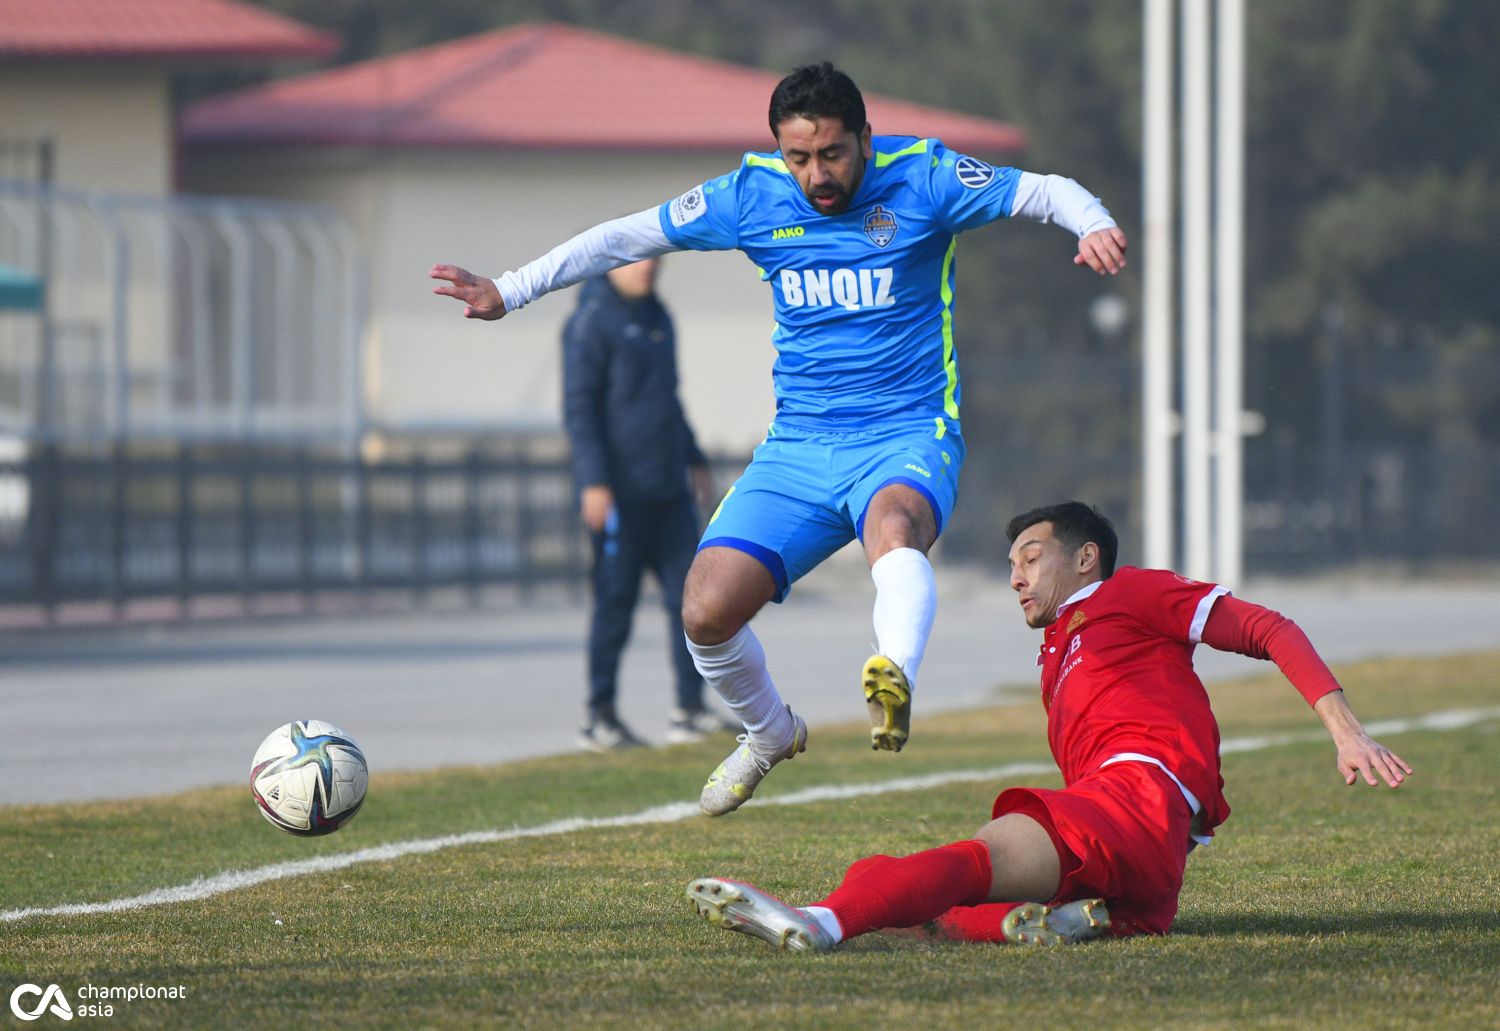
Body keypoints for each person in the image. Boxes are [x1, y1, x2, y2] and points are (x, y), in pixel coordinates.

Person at [432, 63, 1129, 815]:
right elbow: (625, 236)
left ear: (864, 138)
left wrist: (1090, 221)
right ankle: (768, 732)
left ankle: (892, 674)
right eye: (798, 157)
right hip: (798, 444)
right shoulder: (752, 194)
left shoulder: (923, 177)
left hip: (904, 432)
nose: (815, 175)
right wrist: (512, 287)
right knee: (703, 607)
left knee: (892, 530)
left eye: (830, 154)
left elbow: (1045, 188)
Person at [686, 501, 1413, 950]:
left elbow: (1268, 626)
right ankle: (1047, 919)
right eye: (1010, 563)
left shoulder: (1129, 591)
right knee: (917, 888)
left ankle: (825, 921)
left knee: (974, 859)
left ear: (1086, 556)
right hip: (1149, 862)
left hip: (1136, 800)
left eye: (1031, 557)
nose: (1015, 576)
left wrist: (1345, 728)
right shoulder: (1059, 647)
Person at [562, 257, 736, 750]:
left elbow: (668, 400)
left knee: (693, 602)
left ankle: (688, 708)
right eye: (639, 258)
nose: (649, 268)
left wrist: (693, 455)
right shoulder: (591, 321)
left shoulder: (658, 317)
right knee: (614, 604)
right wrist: (593, 481)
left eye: (656, 258)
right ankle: (599, 717)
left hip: (668, 492)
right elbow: (580, 409)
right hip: (620, 494)